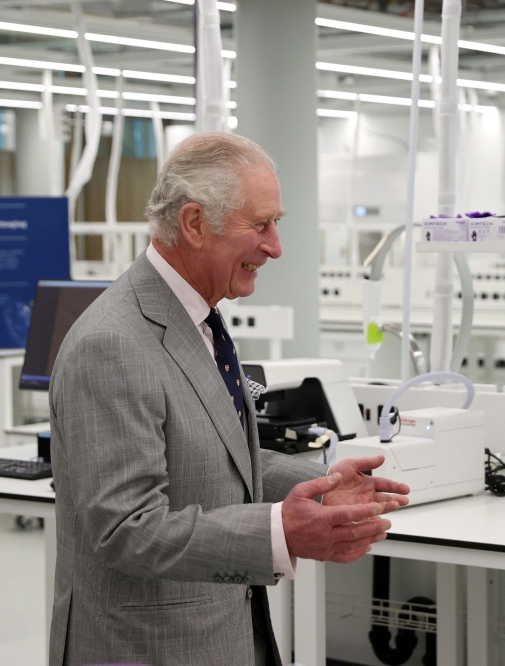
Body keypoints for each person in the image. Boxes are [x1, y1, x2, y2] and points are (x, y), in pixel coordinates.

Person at [48, 132, 409, 666]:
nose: (275, 246)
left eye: (276, 224)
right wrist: (277, 531)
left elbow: (213, 455)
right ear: (194, 224)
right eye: (260, 224)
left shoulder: (198, 318)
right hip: (148, 647)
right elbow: (128, 529)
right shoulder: (114, 343)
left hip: (220, 633)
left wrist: (320, 488)